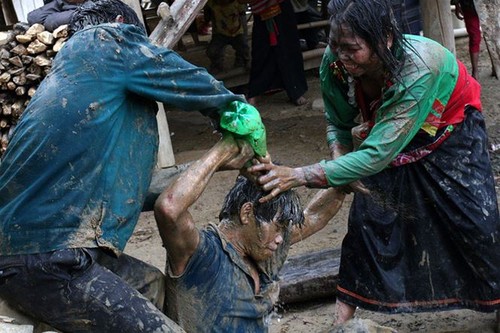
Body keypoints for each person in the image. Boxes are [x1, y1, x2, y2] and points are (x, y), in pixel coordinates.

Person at [0, 0, 259, 331]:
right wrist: (234, 112)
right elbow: (191, 82)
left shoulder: (80, 81)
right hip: (47, 258)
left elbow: (136, 190)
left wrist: (215, 165)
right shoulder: (105, 40)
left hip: (43, 251)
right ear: (122, 23)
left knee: (151, 284)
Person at [248, 0, 500, 326]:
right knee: (367, 220)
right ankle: (341, 321)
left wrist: (298, 175)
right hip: (385, 139)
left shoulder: (420, 67)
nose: (341, 56)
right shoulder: (336, 62)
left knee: (477, 225)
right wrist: (340, 160)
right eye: (336, 45)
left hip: (450, 137)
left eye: (352, 49)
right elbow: (338, 122)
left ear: (386, 39)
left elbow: (378, 154)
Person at [154, 134, 345, 332]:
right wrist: (224, 151)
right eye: (278, 227)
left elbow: (314, 216)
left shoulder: (266, 251)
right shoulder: (200, 253)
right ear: (247, 213)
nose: (281, 238)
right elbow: (169, 209)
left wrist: (347, 175)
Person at [246, 0, 308, 106]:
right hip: (260, 10)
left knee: (288, 49)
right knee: (260, 52)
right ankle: (254, 92)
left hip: (281, 8)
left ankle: (295, 91)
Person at [204, 0, 250, 74]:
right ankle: (217, 65)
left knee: (244, 48)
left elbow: (242, 15)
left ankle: (244, 62)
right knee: (212, 51)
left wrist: (243, 31)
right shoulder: (212, 4)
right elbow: (207, 16)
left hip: (237, 32)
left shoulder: (237, 3)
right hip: (220, 33)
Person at [451, 0, 481, 79]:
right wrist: (457, 4)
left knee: (493, 33)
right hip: (469, 6)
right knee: (475, 37)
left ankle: (495, 64)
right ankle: (475, 70)